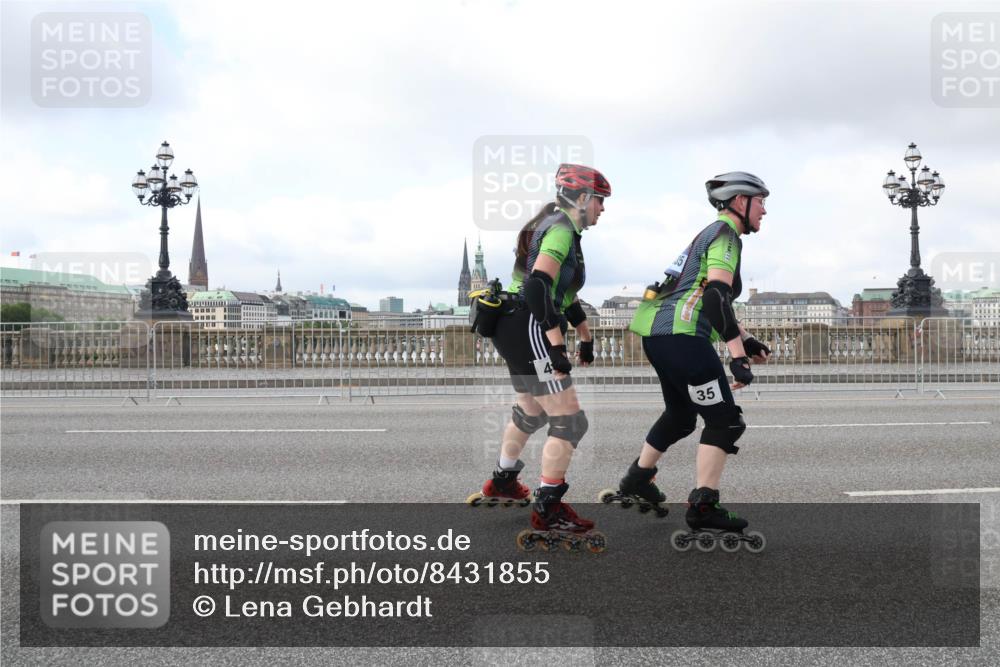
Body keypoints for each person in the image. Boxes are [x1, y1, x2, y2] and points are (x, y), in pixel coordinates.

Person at [610, 171, 771, 535]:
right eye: (760, 201)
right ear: (739, 201)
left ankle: (637, 478)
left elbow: (697, 294)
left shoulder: (706, 234)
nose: (764, 209)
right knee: (726, 421)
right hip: (683, 337)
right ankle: (703, 507)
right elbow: (714, 296)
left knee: (682, 415)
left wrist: (745, 338)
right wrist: (738, 357)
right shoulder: (727, 236)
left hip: (658, 334)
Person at [468, 163, 609, 539]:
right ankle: (548, 509)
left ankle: (503, 480)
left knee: (530, 412)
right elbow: (537, 289)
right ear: (581, 199)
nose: (602, 209)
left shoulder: (556, 226)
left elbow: (564, 293)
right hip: (530, 325)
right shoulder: (561, 230)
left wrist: (584, 335)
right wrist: (557, 344)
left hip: (514, 325)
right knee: (570, 421)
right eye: (599, 201)